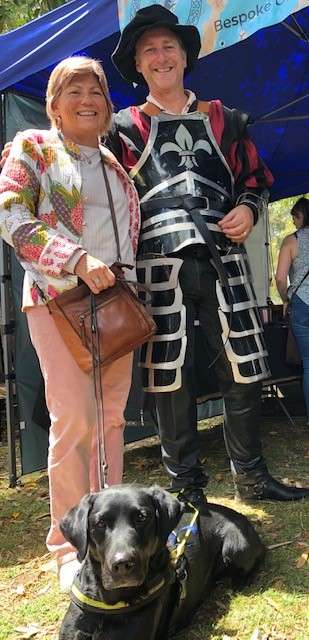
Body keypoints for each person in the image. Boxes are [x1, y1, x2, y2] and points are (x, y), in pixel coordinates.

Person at [107, 4, 309, 506]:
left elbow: (254, 181)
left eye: (168, 46)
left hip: (223, 257)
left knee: (242, 365)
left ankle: (251, 477)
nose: (160, 56)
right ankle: (184, 486)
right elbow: (96, 185)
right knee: (168, 375)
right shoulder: (120, 129)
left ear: (184, 56)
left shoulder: (225, 119)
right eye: (149, 49)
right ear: (137, 63)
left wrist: (247, 209)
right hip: (156, 263)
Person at [0, 56, 140, 591]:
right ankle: (67, 545)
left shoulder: (114, 163)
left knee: (111, 420)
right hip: (60, 299)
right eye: (73, 89)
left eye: (97, 91)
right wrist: (76, 259)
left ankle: (112, 534)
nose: (87, 98)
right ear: (54, 106)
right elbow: (11, 215)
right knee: (75, 419)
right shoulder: (32, 146)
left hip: (116, 304)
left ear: (107, 107)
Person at [276, 197, 309, 427]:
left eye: (293, 218)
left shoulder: (291, 241)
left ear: (300, 216)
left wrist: (285, 299)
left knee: (308, 363)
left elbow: (280, 278)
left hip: (302, 305)